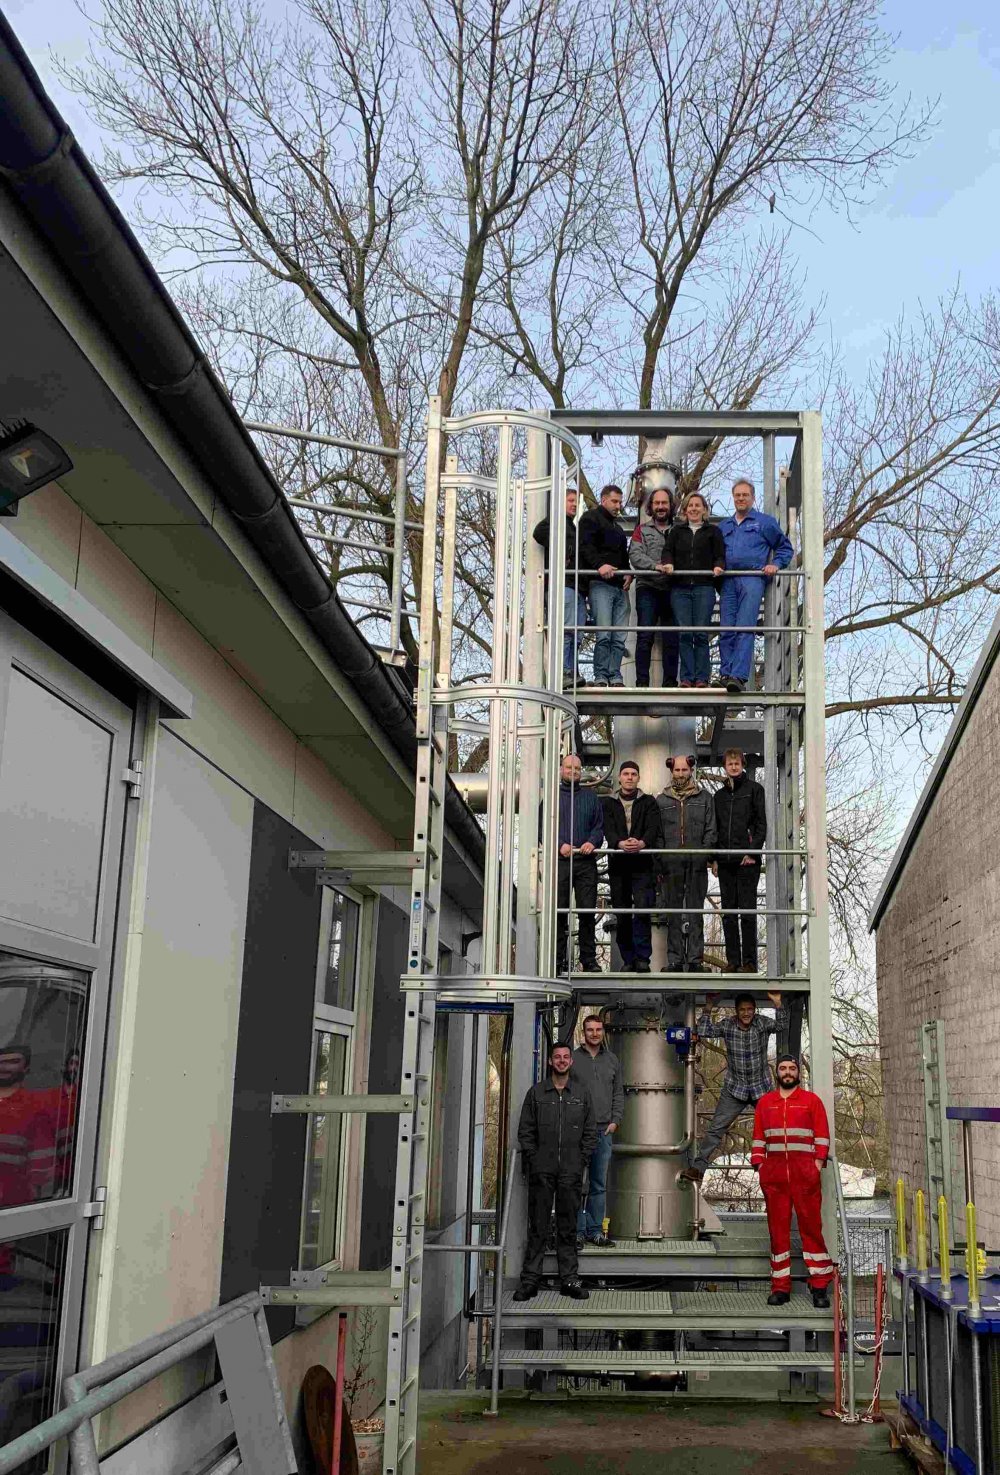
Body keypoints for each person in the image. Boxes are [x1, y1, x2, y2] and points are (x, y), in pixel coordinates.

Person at [514, 1041, 597, 1301]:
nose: (561, 1061)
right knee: (537, 1226)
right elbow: (525, 1131)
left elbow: (590, 1132)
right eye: (557, 1057)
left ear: (570, 1062)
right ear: (550, 1062)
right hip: (542, 1171)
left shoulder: (581, 1094)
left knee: (568, 1227)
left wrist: (581, 1159)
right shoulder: (537, 1093)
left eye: (565, 1057)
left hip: (570, 1171)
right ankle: (530, 1281)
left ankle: (569, 1280)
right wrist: (534, 1158)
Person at [751, 1054, 835, 1308]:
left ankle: (820, 1286)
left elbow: (822, 1137)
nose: (787, 1072)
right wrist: (760, 1166)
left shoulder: (811, 1102)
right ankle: (780, 1287)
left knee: (811, 1229)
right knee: (778, 1234)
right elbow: (757, 1140)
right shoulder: (765, 1103)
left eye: (792, 1068)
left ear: (798, 1073)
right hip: (774, 1178)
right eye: (783, 1068)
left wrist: (816, 1166)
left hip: (805, 1177)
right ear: (776, 1072)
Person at [680, 992, 788, 1182]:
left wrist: (778, 1003)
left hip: (760, 1087)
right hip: (735, 1089)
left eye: (749, 1009)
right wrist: (708, 1006)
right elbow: (705, 1030)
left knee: (775, 1127)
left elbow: (781, 1025)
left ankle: (780, 1166)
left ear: (754, 1010)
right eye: (742, 1010)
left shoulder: (761, 1023)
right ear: (736, 1011)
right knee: (715, 1129)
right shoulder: (728, 1024)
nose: (746, 1013)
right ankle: (698, 1168)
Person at [716, 479, 794, 694]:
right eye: (737, 495)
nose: (741, 498)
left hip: (752, 577)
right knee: (725, 629)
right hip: (728, 580)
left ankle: (737, 676)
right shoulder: (724, 526)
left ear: (753, 498)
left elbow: (784, 547)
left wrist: (775, 564)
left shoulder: (764, 522)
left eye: (745, 495)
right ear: (733, 498)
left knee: (744, 627)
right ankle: (725, 674)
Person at [655, 755, 716, 971]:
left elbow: (711, 829)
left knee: (695, 911)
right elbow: (658, 834)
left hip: (696, 863)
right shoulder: (661, 801)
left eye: (684, 770)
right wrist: (661, 859)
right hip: (671, 864)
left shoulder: (705, 798)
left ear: (691, 770)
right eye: (677, 770)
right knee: (672, 913)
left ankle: (695, 960)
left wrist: (704, 854)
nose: (680, 774)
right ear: (671, 771)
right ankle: (675, 960)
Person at [602, 761, 662, 974]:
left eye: (633, 774)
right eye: (626, 773)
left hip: (642, 863)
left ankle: (643, 958)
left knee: (643, 909)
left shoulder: (648, 803)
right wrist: (618, 843)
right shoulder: (609, 803)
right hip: (618, 864)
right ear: (619, 777)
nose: (629, 777)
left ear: (638, 778)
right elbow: (607, 828)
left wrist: (642, 843)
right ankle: (627, 958)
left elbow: (653, 827)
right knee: (622, 911)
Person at [662, 491, 726, 688]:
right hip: (680, 588)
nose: (694, 509)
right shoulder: (676, 532)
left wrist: (718, 566)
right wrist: (668, 563)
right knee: (685, 634)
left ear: (704, 509)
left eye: (698, 505)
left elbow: (719, 554)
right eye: (690, 505)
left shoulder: (713, 532)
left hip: (704, 587)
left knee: (700, 633)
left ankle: (702, 678)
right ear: (685, 510)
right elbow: (667, 552)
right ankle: (687, 678)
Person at [712, 749, 767, 973]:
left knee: (747, 912)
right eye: (729, 763)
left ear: (742, 764)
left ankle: (750, 962)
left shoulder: (755, 790)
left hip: (747, 861)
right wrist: (714, 858)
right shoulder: (719, 796)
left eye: (736, 763)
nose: (733, 767)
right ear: (724, 766)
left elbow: (761, 825)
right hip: (725, 861)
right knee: (728, 913)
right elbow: (714, 829)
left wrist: (752, 852)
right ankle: (733, 961)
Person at [572, 1015, 624, 1247]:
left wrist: (615, 1120)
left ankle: (595, 1231)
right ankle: (577, 1231)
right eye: (590, 1029)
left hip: (604, 1131)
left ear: (603, 1031)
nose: (594, 1033)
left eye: (598, 1029)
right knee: (574, 1183)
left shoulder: (612, 1060)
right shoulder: (572, 1058)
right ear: (584, 1032)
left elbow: (618, 1093)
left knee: (598, 1184)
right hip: (578, 1132)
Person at [533, 485, 587, 687]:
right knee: (566, 630)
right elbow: (539, 532)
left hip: (577, 586)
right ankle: (564, 671)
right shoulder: (556, 522)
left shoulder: (572, 527)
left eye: (575, 501)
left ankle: (572, 670)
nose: (574, 504)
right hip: (563, 584)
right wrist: (562, 552)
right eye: (570, 501)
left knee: (576, 632)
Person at [578, 484, 632, 688]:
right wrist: (599, 565)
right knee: (604, 634)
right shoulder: (590, 519)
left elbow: (623, 556)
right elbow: (585, 547)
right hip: (600, 585)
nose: (618, 506)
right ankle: (601, 675)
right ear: (603, 500)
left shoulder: (618, 529)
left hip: (619, 587)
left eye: (620, 502)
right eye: (614, 501)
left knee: (619, 635)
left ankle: (615, 675)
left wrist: (628, 573)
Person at [555, 753, 604, 975]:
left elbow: (598, 827)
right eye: (569, 768)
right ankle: (556, 960)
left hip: (586, 863)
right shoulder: (552, 798)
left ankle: (589, 960)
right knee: (559, 912)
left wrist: (591, 842)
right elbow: (542, 827)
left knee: (586, 912)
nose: (573, 772)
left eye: (577, 768)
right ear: (561, 770)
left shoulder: (591, 798)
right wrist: (559, 844)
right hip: (561, 861)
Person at [628, 487, 679, 687]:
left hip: (673, 589)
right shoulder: (641, 530)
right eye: (656, 503)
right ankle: (641, 682)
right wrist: (655, 566)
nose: (660, 507)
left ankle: (670, 683)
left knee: (672, 638)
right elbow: (635, 555)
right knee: (645, 636)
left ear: (670, 506)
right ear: (651, 506)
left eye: (664, 503)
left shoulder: (679, 530)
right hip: (647, 587)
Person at [0, 1043, 56, 1207]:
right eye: (1, 1062)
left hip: (12, 1207)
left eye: (13, 1061)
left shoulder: (36, 1108)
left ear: (26, 1068)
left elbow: (42, 1175)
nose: (4, 1067)